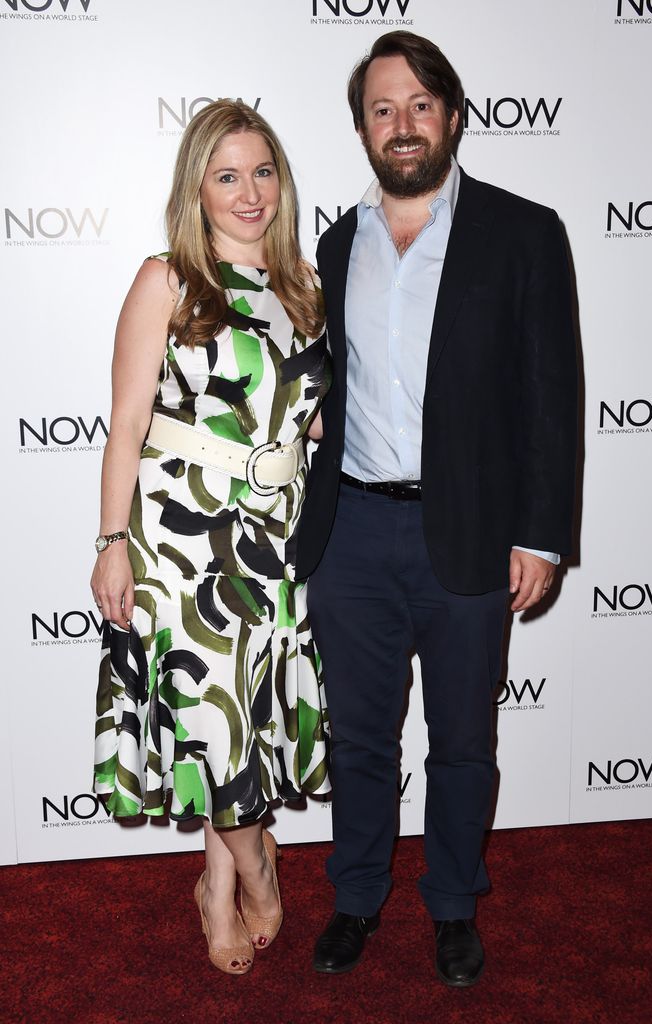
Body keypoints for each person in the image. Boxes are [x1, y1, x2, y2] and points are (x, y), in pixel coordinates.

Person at [296, 31, 578, 987]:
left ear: (453, 115)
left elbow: (551, 393)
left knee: (463, 739)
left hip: (469, 533)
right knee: (359, 737)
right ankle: (357, 896)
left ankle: (453, 904)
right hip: (354, 535)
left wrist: (541, 534)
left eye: (419, 105)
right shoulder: (335, 243)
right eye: (382, 109)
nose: (401, 125)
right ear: (362, 129)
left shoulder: (522, 230)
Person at [91, 100, 330, 976]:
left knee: (244, 719)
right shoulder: (166, 278)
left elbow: (309, 419)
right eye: (227, 174)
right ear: (197, 185)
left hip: (278, 536)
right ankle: (254, 868)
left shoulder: (303, 282)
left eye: (262, 171)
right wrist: (111, 539)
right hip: (183, 536)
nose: (249, 192)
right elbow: (124, 423)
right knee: (209, 716)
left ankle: (212, 880)